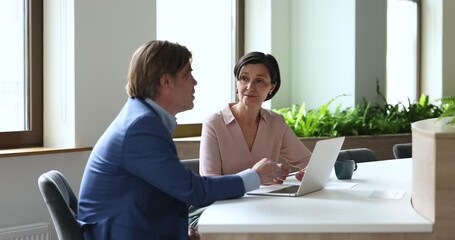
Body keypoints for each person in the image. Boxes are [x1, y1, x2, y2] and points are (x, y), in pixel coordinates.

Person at [77, 40, 288, 240]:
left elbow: (165, 187)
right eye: (188, 74)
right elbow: (194, 190)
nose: (195, 82)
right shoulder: (141, 127)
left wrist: (180, 226)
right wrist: (254, 176)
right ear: (166, 82)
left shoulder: (142, 117)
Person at [188, 51, 313, 234]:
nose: (249, 87)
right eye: (244, 78)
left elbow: (308, 162)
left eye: (259, 81)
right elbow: (210, 184)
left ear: (272, 86)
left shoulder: (276, 122)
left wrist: (306, 173)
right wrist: (258, 176)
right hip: (222, 212)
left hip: (264, 210)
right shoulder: (214, 123)